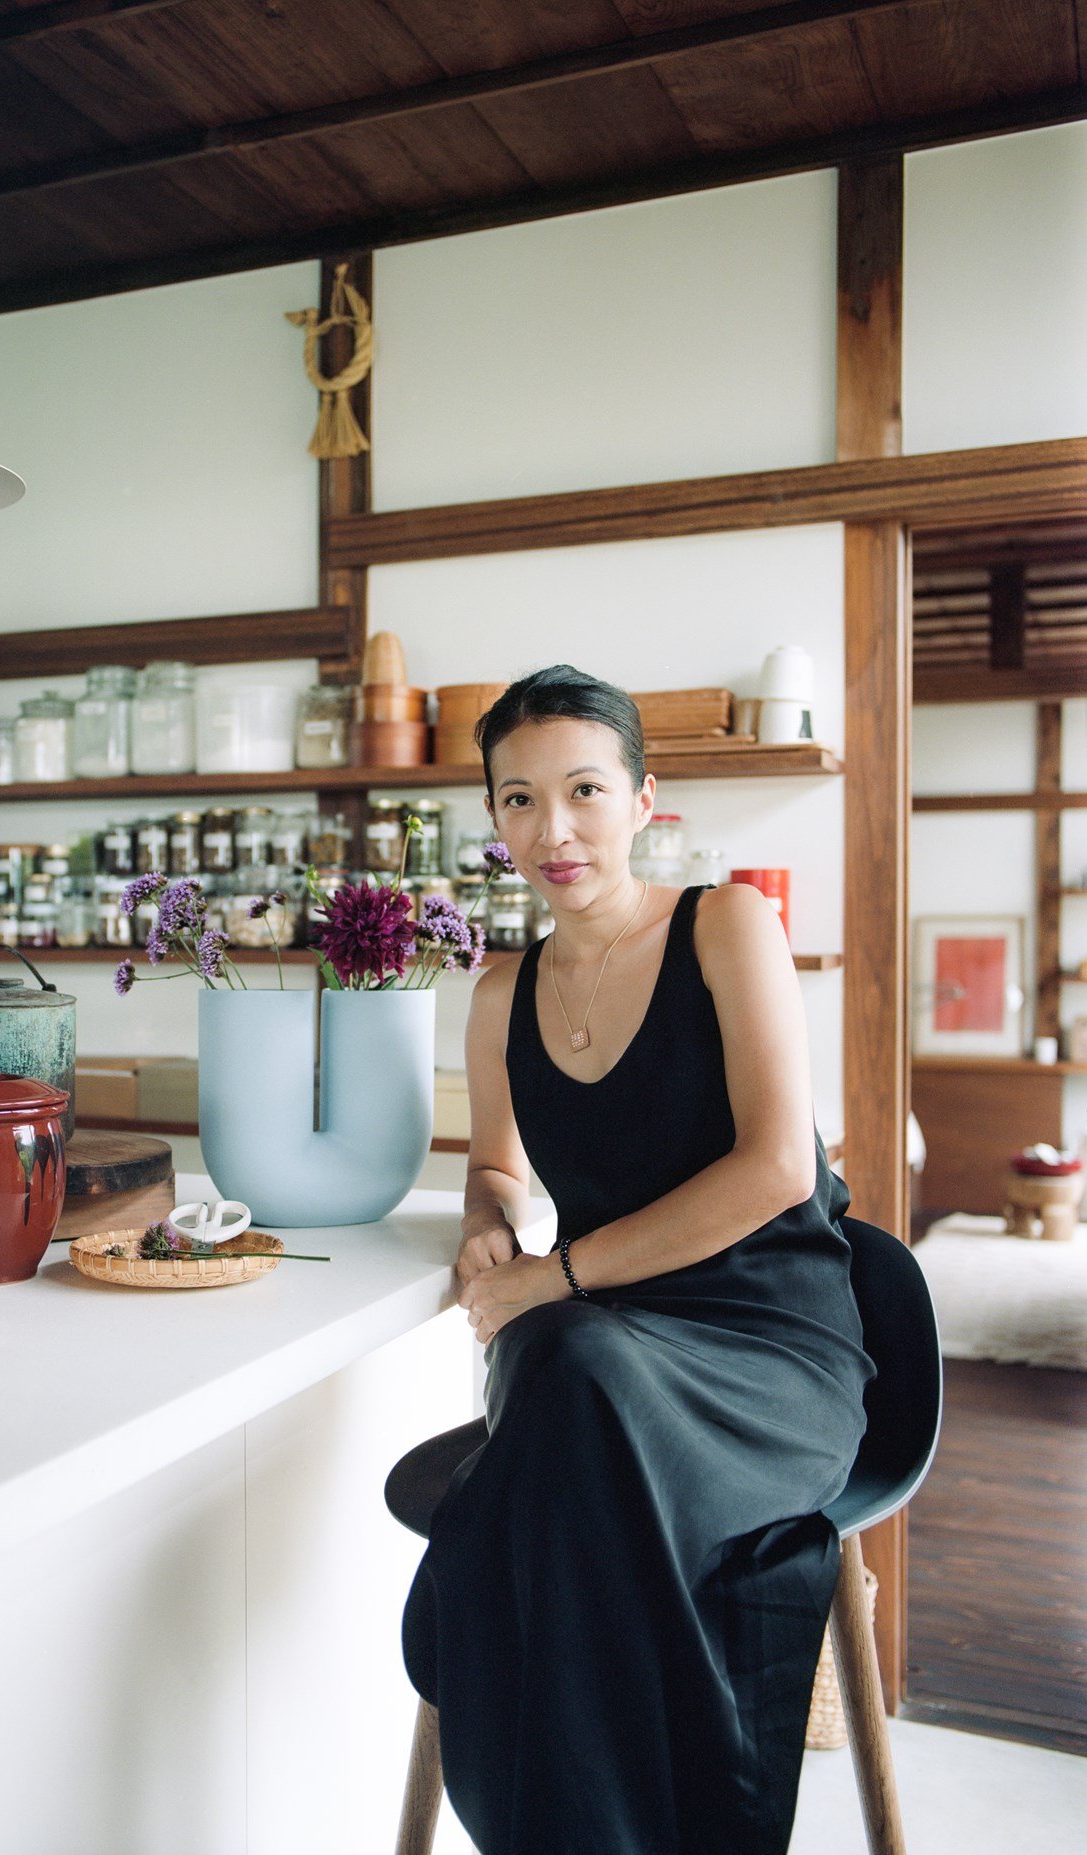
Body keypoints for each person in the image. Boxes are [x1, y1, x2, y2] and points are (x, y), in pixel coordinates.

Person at [400, 665, 875, 1855]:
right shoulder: (503, 990)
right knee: (570, 1375)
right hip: (614, 1355)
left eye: (583, 791)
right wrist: (486, 1226)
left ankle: (526, 1767)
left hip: (772, 1352)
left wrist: (551, 1277)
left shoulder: (726, 925)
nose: (551, 830)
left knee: (558, 1372)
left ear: (644, 798)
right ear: (494, 817)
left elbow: (776, 1166)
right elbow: (496, 1166)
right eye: (516, 799)